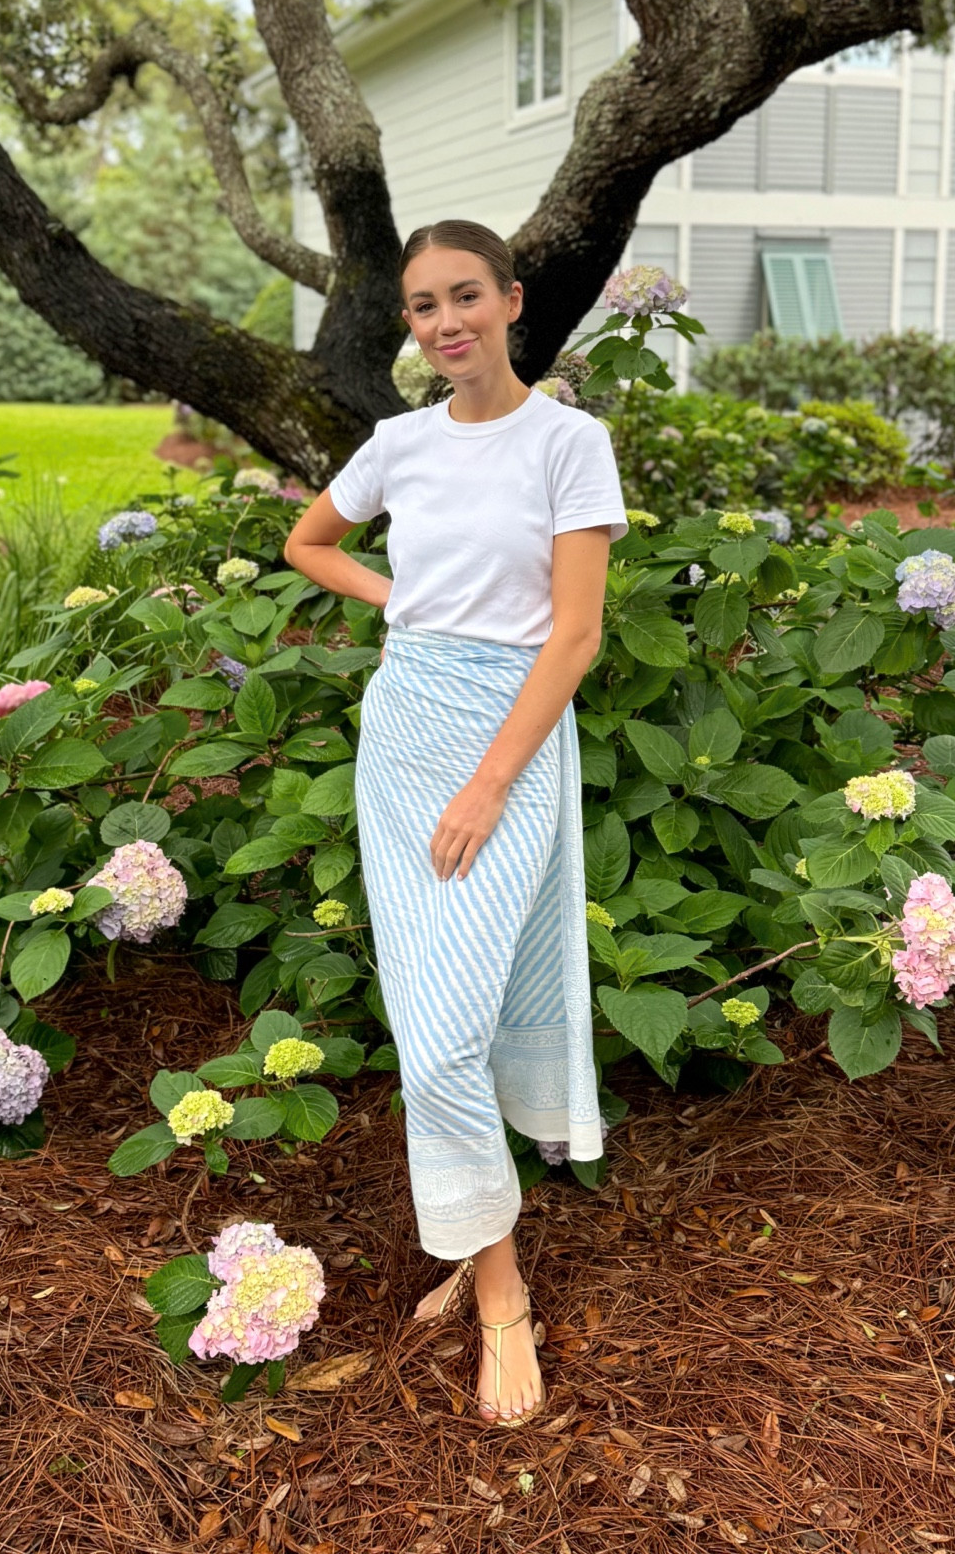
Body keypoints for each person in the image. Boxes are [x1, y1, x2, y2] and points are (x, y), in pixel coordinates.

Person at [283, 219, 627, 1428]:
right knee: (432, 1017)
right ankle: (493, 1266)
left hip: (513, 738)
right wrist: (400, 598)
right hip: (406, 728)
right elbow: (308, 541)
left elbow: (575, 634)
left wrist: (488, 781)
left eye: (465, 295)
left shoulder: (568, 441)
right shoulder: (398, 442)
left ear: (512, 299)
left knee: (452, 1029)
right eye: (424, 305)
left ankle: (497, 1293)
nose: (445, 322)